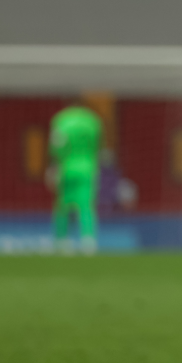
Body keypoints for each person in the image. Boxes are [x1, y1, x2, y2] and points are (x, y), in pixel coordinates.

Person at [48, 103, 103, 254]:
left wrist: (54, 166)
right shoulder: (92, 121)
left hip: (66, 168)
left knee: (62, 206)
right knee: (86, 206)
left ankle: (61, 241)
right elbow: (96, 146)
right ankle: (88, 241)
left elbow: (55, 146)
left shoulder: (61, 121)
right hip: (87, 168)